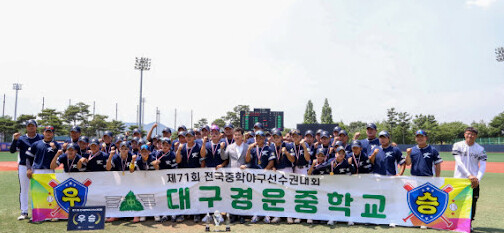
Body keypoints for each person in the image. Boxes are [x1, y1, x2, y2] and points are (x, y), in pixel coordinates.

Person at [452, 127, 486, 227]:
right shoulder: (457, 145)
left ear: (476, 136)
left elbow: (483, 165)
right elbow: (458, 162)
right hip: (459, 179)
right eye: (468, 133)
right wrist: (469, 175)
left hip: (473, 181)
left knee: (472, 203)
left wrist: (477, 179)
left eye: (472, 134)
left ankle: (468, 224)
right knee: (456, 201)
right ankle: (455, 222)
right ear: (464, 134)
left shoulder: (480, 149)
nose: (470, 136)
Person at [9, 119, 43, 220]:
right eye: (29, 126)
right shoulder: (21, 139)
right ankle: (24, 212)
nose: (31, 127)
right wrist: (15, 140)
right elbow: (11, 151)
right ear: (26, 127)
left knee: (39, 190)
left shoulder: (41, 137)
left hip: (38, 166)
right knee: (24, 189)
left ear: (36, 127)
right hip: (24, 166)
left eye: (33, 125)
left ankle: (40, 211)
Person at [246, 130, 275, 224]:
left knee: (266, 194)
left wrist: (265, 170)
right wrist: (249, 149)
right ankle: (256, 214)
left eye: (260, 137)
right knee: (256, 195)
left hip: (265, 175)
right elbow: (247, 160)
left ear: (264, 138)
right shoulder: (253, 149)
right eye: (257, 137)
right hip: (255, 175)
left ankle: (267, 215)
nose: (258, 139)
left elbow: (271, 161)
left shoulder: (268, 148)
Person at [175, 130, 203, 223]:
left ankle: (196, 214)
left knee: (195, 194)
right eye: (187, 136)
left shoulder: (198, 147)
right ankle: (182, 213)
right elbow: (178, 161)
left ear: (194, 137)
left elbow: (202, 160)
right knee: (184, 194)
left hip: (195, 174)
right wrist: (178, 150)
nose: (188, 138)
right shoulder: (182, 147)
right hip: (184, 175)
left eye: (190, 136)